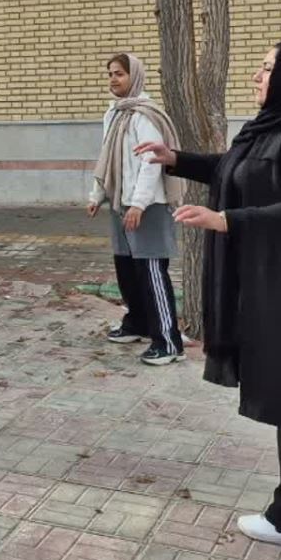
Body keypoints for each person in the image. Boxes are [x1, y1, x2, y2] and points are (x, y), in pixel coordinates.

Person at [137, 38, 281, 551]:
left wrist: (227, 219)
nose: (257, 76)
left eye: (268, 68)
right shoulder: (275, 129)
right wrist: (176, 159)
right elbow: (236, 169)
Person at [87, 53, 185, 366]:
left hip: (148, 205)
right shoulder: (114, 113)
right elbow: (107, 157)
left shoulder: (146, 115)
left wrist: (140, 203)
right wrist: (97, 195)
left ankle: (168, 342)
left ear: (135, 76)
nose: (113, 79)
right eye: (110, 74)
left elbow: (151, 161)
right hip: (121, 202)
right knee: (127, 269)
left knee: (152, 269)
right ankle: (138, 323)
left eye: (119, 73)